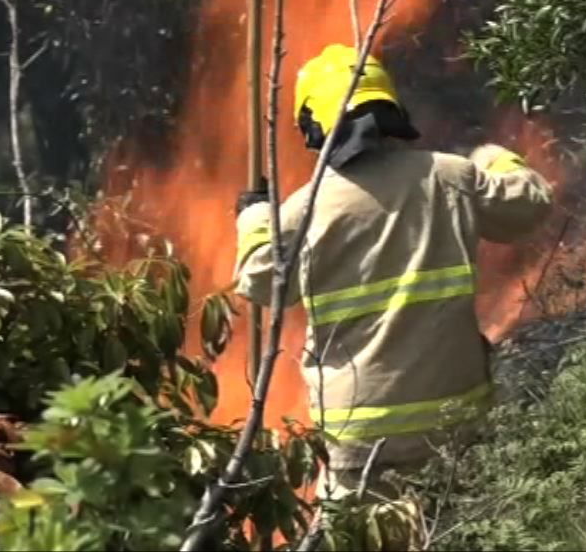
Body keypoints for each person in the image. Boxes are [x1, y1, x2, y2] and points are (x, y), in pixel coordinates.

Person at [233, 44, 554, 505]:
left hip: (357, 437)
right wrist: (492, 157)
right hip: (455, 420)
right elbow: (529, 206)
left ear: (312, 125)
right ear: (390, 109)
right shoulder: (450, 177)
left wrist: (255, 217)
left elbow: (259, 281)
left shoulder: (304, 210)